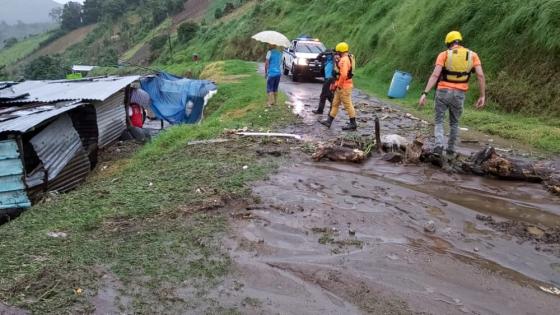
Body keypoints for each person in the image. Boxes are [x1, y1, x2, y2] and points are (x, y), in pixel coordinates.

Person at [419, 31, 486, 159]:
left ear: (448, 43)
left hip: (443, 92)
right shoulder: (473, 55)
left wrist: (425, 93)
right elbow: (480, 75)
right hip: (459, 93)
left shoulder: (443, 55)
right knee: (454, 123)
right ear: (459, 41)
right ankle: (450, 151)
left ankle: (438, 146)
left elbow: (435, 75)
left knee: (439, 120)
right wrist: (482, 96)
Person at [320, 42, 357, 131]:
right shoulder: (348, 58)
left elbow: (343, 75)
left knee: (348, 105)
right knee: (335, 104)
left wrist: (339, 85)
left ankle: (353, 123)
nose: (336, 53)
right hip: (341, 86)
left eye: (337, 52)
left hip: (344, 87)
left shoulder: (344, 60)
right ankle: (329, 121)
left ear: (340, 51)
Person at [312, 49, 335, 114]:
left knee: (325, 95)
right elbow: (318, 58)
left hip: (331, 79)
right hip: (326, 79)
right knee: (326, 95)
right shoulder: (325, 60)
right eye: (327, 55)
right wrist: (322, 53)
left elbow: (333, 56)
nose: (328, 56)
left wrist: (332, 53)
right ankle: (323, 110)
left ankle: (324, 110)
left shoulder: (334, 61)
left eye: (329, 55)